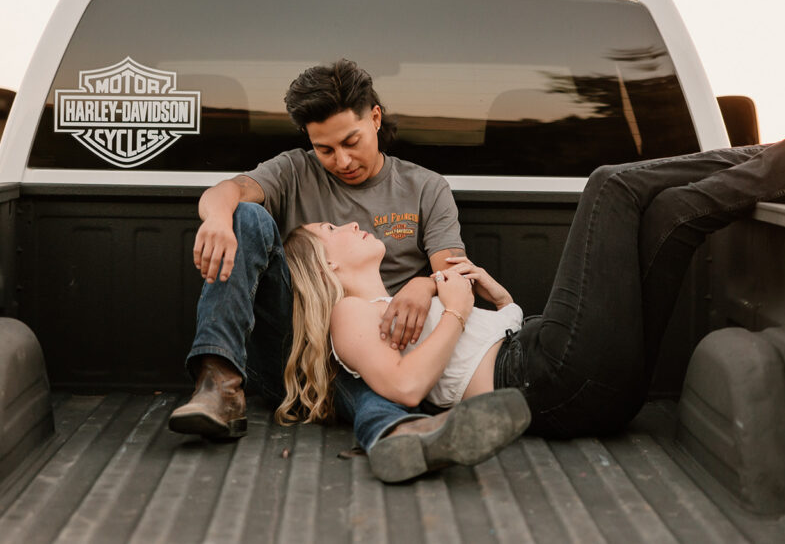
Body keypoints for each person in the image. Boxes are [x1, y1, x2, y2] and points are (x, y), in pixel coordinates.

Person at [278, 46, 785, 477]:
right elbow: (411, 388)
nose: (346, 218)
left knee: (677, 213)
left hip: (572, 378)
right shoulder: (349, 318)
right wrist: (453, 311)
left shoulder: (392, 287)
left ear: (376, 120)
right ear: (327, 269)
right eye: (331, 228)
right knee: (610, 183)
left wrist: (488, 297)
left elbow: (472, 341)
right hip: (548, 379)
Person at [169, 58, 529, 481]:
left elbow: (455, 274)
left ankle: (399, 432)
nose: (341, 160)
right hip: (292, 348)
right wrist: (215, 218)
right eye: (325, 149)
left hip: (374, 357)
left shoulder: (425, 187)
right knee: (244, 215)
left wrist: (422, 284)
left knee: (356, 366)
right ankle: (219, 386)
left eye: (351, 141)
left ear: (375, 118)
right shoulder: (294, 170)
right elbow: (226, 191)